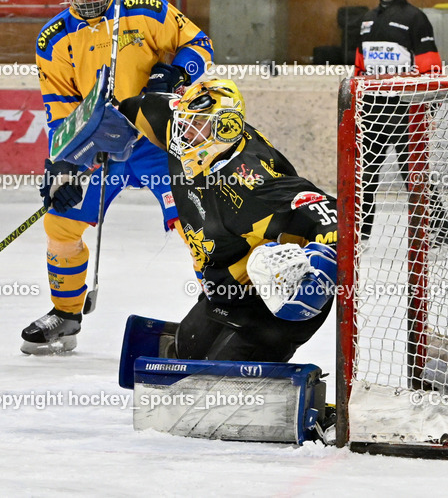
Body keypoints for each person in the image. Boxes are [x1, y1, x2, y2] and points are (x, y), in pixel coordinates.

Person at [21, 0, 214, 355]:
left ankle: (220, 309)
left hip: (157, 139)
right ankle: (66, 314)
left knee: (193, 224)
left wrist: (174, 73)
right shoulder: (53, 39)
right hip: (98, 146)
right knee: (61, 225)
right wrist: (62, 164)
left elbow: (201, 47)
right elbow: (60, 108)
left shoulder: (145, 9)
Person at [113, 79, 338, 361]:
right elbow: (134, 107)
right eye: (184, 122)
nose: (183, 133)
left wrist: (321, 273)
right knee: (185, 355)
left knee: (220, 385)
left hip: (276, 299)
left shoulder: (250, 178)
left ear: (226, 128)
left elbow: (330, 215)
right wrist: (104, 126)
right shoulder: (178, 131)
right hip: (225, 288)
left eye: (195, 125)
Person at [355, 0, 448, 247]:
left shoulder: (415, 18)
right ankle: (361, 236)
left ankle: (438, 233)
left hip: (407, 110)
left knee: (414, 174)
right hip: (373, 110)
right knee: (365, 175)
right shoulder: (367, 20)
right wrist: (358, 107)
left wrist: (429, 110)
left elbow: (431, 68)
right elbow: (360, 69)